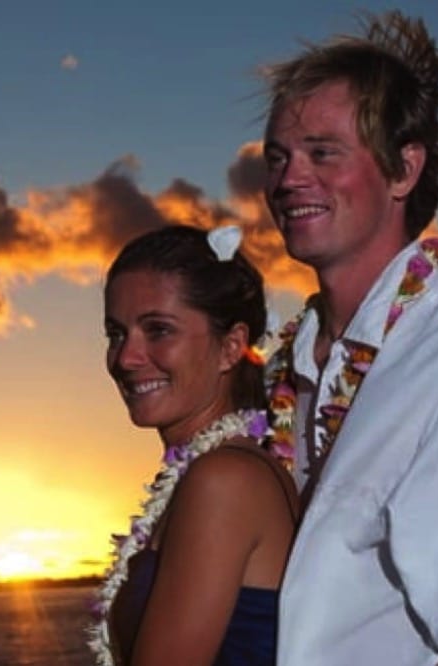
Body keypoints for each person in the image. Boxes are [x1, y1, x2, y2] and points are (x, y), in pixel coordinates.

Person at [259, 10, 438, 665]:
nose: (289, 178)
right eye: (277, 157)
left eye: (322, 152)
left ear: (403, 169)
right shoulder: (283, 369)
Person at [88, 224, 300, 666]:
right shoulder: (211, 471)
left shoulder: (226, 480)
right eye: (116, 333)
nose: (126, 358)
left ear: (231, 346)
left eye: (158, 330)